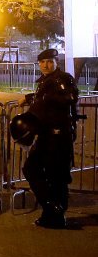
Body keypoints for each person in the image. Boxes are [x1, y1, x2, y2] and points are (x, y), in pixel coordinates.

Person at [18, 48, 79, 228]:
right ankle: (51, 210)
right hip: (46, 134)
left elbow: (69, 97)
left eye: (50, 61)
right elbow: (45, 100)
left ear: (56, 63)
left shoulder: (62, 79)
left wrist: (44, 97)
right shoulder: (46, 80)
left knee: (56, 176)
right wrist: (30, 97)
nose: (46, 65)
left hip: (58, 135)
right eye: (43, 62)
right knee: (32, 169)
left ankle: (55, 214)